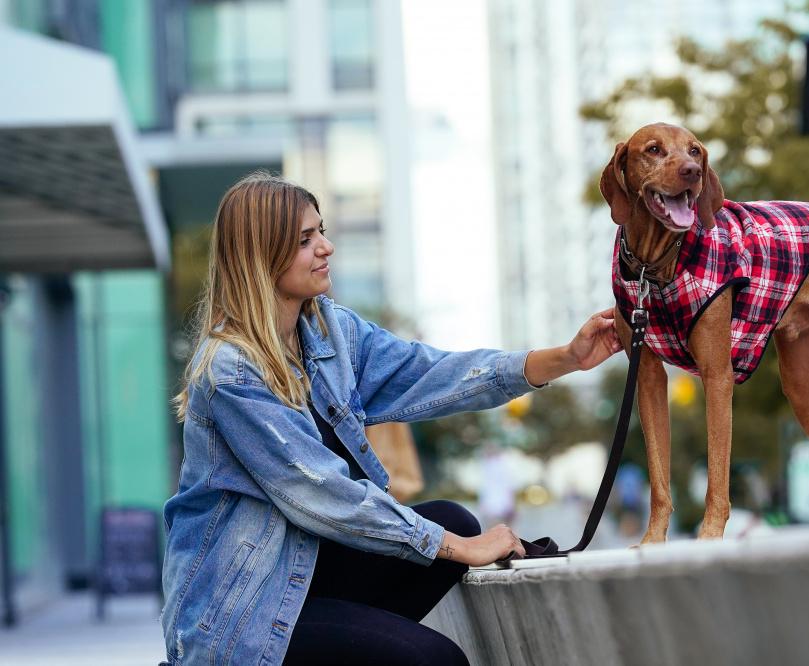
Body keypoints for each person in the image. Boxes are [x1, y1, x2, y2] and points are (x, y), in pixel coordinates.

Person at [160, 173, 623, 665]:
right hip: (242, 613)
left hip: (310, 574)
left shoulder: (329, 331)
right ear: (261, 256)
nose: (326, 247)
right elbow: (321, 492)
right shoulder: (232, 370)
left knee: (451, 517)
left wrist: (566, 357)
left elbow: (434, 374)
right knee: (432, 657)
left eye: (321, 231)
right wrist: (456, 548)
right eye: (305, 240)